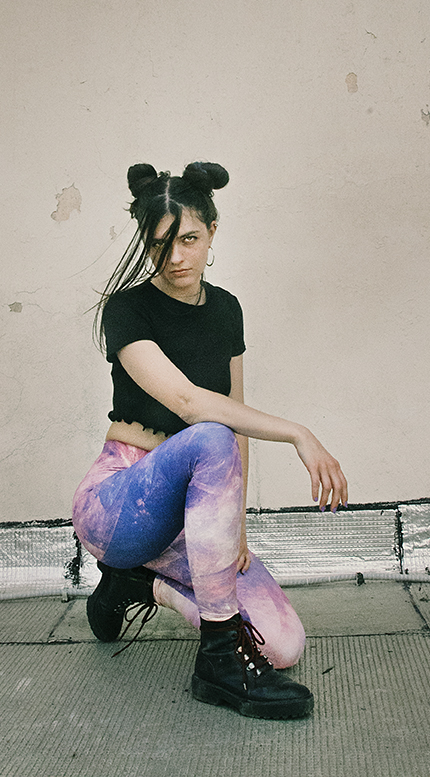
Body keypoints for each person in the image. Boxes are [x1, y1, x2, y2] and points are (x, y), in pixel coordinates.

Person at [72, 161, 348, 719]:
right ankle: (218, 662)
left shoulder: (226, 309)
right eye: (160, 244)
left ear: (212, 232)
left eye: (190, 239)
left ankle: (138, 587)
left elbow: (235, 417)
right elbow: (191, 404)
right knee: (210, 434)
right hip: (120, 502)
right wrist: (299, 433)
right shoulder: (127, 308)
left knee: (282, 646)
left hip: (194, 516)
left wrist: (235, 527)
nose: (176, 257)